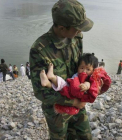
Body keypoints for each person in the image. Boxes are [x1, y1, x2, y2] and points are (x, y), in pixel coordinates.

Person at [29, 0, 97, 139]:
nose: (80, 31)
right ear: (61, 28)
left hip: (78, 100)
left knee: (85, 136)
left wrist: (90, 83)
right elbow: (41, 93)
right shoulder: (40, 50)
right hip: (57, 110)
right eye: (77, 28)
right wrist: (73, 102)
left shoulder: (76, 37)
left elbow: (80, 70)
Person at [40, 53, 111, 115]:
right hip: (71, 89)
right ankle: (50, 79)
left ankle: (49, 80)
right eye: (82, 68)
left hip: (75, 94)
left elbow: (89, 84)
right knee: (61, 85)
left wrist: (85, 86)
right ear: (78, 67)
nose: (84, 71)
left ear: (93, 71)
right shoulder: (77, 75)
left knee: (61, 86)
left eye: (88, 69)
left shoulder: (90, 78)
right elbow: (72, 81)